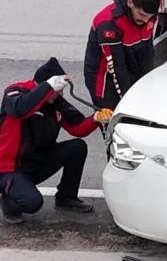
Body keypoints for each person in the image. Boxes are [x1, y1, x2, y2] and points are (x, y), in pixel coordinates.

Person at [0, 58, 113, 225]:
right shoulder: (15, 92)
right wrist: (48, 87)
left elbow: (77, 128)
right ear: (45, 86)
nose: (61, 95)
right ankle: (9, 201)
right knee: (33, 203)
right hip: (10, 170)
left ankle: (66, 197)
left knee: (77, 147)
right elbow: (19, 109)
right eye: (58, 90)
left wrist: (96, 118)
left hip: (37, 162)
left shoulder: (54, 102)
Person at [84, 0, 160, 110]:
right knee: (115, 115)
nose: (146, 21)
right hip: (104, 77)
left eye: (150, 17)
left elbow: (147, 55)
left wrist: (147, 86)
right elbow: (117, 67)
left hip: (129, 66)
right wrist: (129, 100)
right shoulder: (109, 23)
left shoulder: (147, 16)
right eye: (141, 14)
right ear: (130, 3)